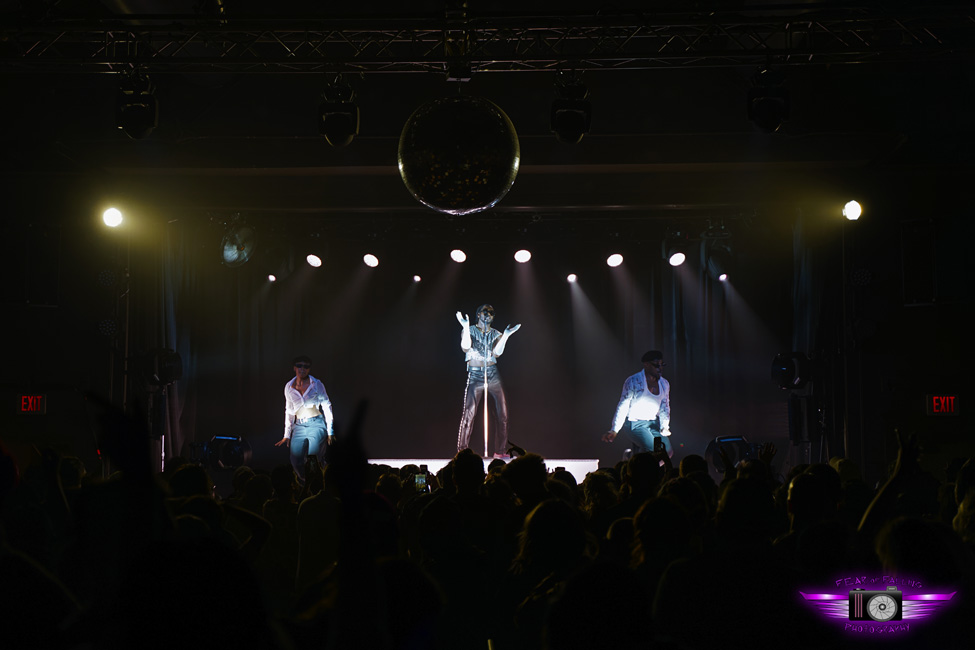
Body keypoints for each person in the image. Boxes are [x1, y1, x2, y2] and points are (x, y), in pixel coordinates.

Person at [455, 304, 521, 459]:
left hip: (492, 374)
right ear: (479, 314)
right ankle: (462, 451)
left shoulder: (495, 333)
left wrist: (505, 335)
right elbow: (465, 347)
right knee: (469, 413)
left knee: (502, 413)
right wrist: (465, 326)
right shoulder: (469, 330)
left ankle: (500, 450)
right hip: (475, 374)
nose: (488, 315)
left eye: (491, 313)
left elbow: (497, 353)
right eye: (485, 312)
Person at [602, 350, 673, 457]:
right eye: (656, 365)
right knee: (653, 450)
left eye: (662, 365)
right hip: (634, 424)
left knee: (667, 452)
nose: (660, 368)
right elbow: (623, 405)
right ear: (646, 365)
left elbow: (665, 407)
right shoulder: (633, 381)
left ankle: (634, 457)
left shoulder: (664, 384)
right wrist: (614, 430)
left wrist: (664, 427)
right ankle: (633, 459)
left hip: (653, 424)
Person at [275, 355, 334, 484]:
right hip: (299, 426)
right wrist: (287, 434)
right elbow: (289, 411)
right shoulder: (289, 387)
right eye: (300, 366)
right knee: (295, 460)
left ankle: (321, 482)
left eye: (306, 366)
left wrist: (330, 431)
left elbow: (326, 405)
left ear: (309, 369)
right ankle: (308, 483)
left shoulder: (317, 384)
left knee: (313, 460)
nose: (303, 369)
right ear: (294, 368)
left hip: (316, 424)